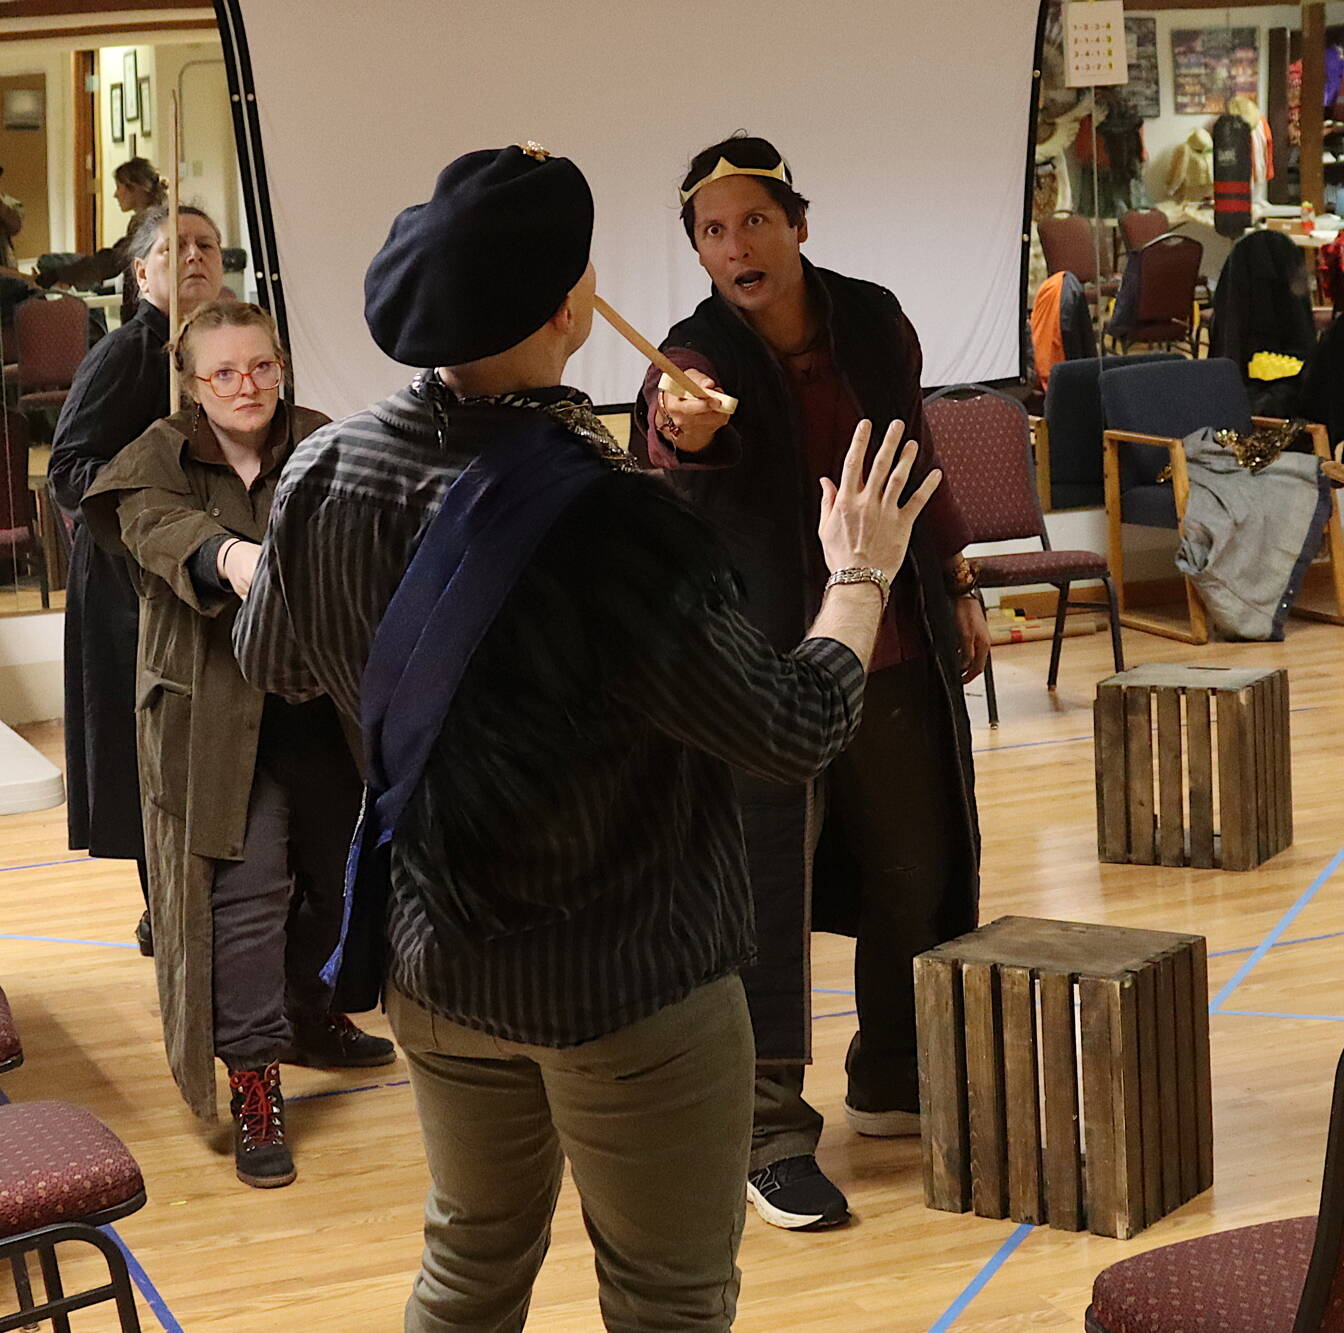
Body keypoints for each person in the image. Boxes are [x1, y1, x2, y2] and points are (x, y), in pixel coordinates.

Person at [234, 144, 937, 1331]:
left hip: (436, 964)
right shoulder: (612, 519)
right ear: (573, 309)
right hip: (630, 989)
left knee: (466, 1269)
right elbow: (794, 725)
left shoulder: (321, 471)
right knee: (665, 1301)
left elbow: (276, 661)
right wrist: (860, 572)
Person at [635, 133, 985, 1232]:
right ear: (696, 254)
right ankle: (766, 1132)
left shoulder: (871, 318)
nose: (734, 244)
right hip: (763, 672)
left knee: (916, 869)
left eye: (752, 220)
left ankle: (892, 1074)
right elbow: (668, 455)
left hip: (895, 641)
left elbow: (917, 451)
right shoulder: (694, 357)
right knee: (761, 898)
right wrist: (676, 433)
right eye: (710, 230)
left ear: (797, 224)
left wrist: (959, 579)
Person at [80, 298, 390, 1190]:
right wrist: (232, 556)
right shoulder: (153, 460)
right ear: (192, 384)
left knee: (342, 883)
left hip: (326, 717)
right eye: (223, 372)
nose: (245, 386)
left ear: (280, 366)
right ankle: (256, 1081)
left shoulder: (327, 439)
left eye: (259, 367)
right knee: (246, 900)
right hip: (217, 726)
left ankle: (309, 1013)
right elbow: (155, 530)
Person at [50, 202, 222, 957]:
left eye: (206, 244)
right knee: (153, 752)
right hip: (131, 584)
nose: (193, 256)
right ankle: (171, 913)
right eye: (174, 246)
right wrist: (155, 510)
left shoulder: (219, 349)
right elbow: (69, 469)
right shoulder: (128, 352)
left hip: (205, 575)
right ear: (140, 270)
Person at [40, 158, 168, 323]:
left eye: (118, 187)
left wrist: (59, 274)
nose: (115, 194)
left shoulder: (151, 223)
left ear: (134, 188)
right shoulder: (153, 217)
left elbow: (112, 261)